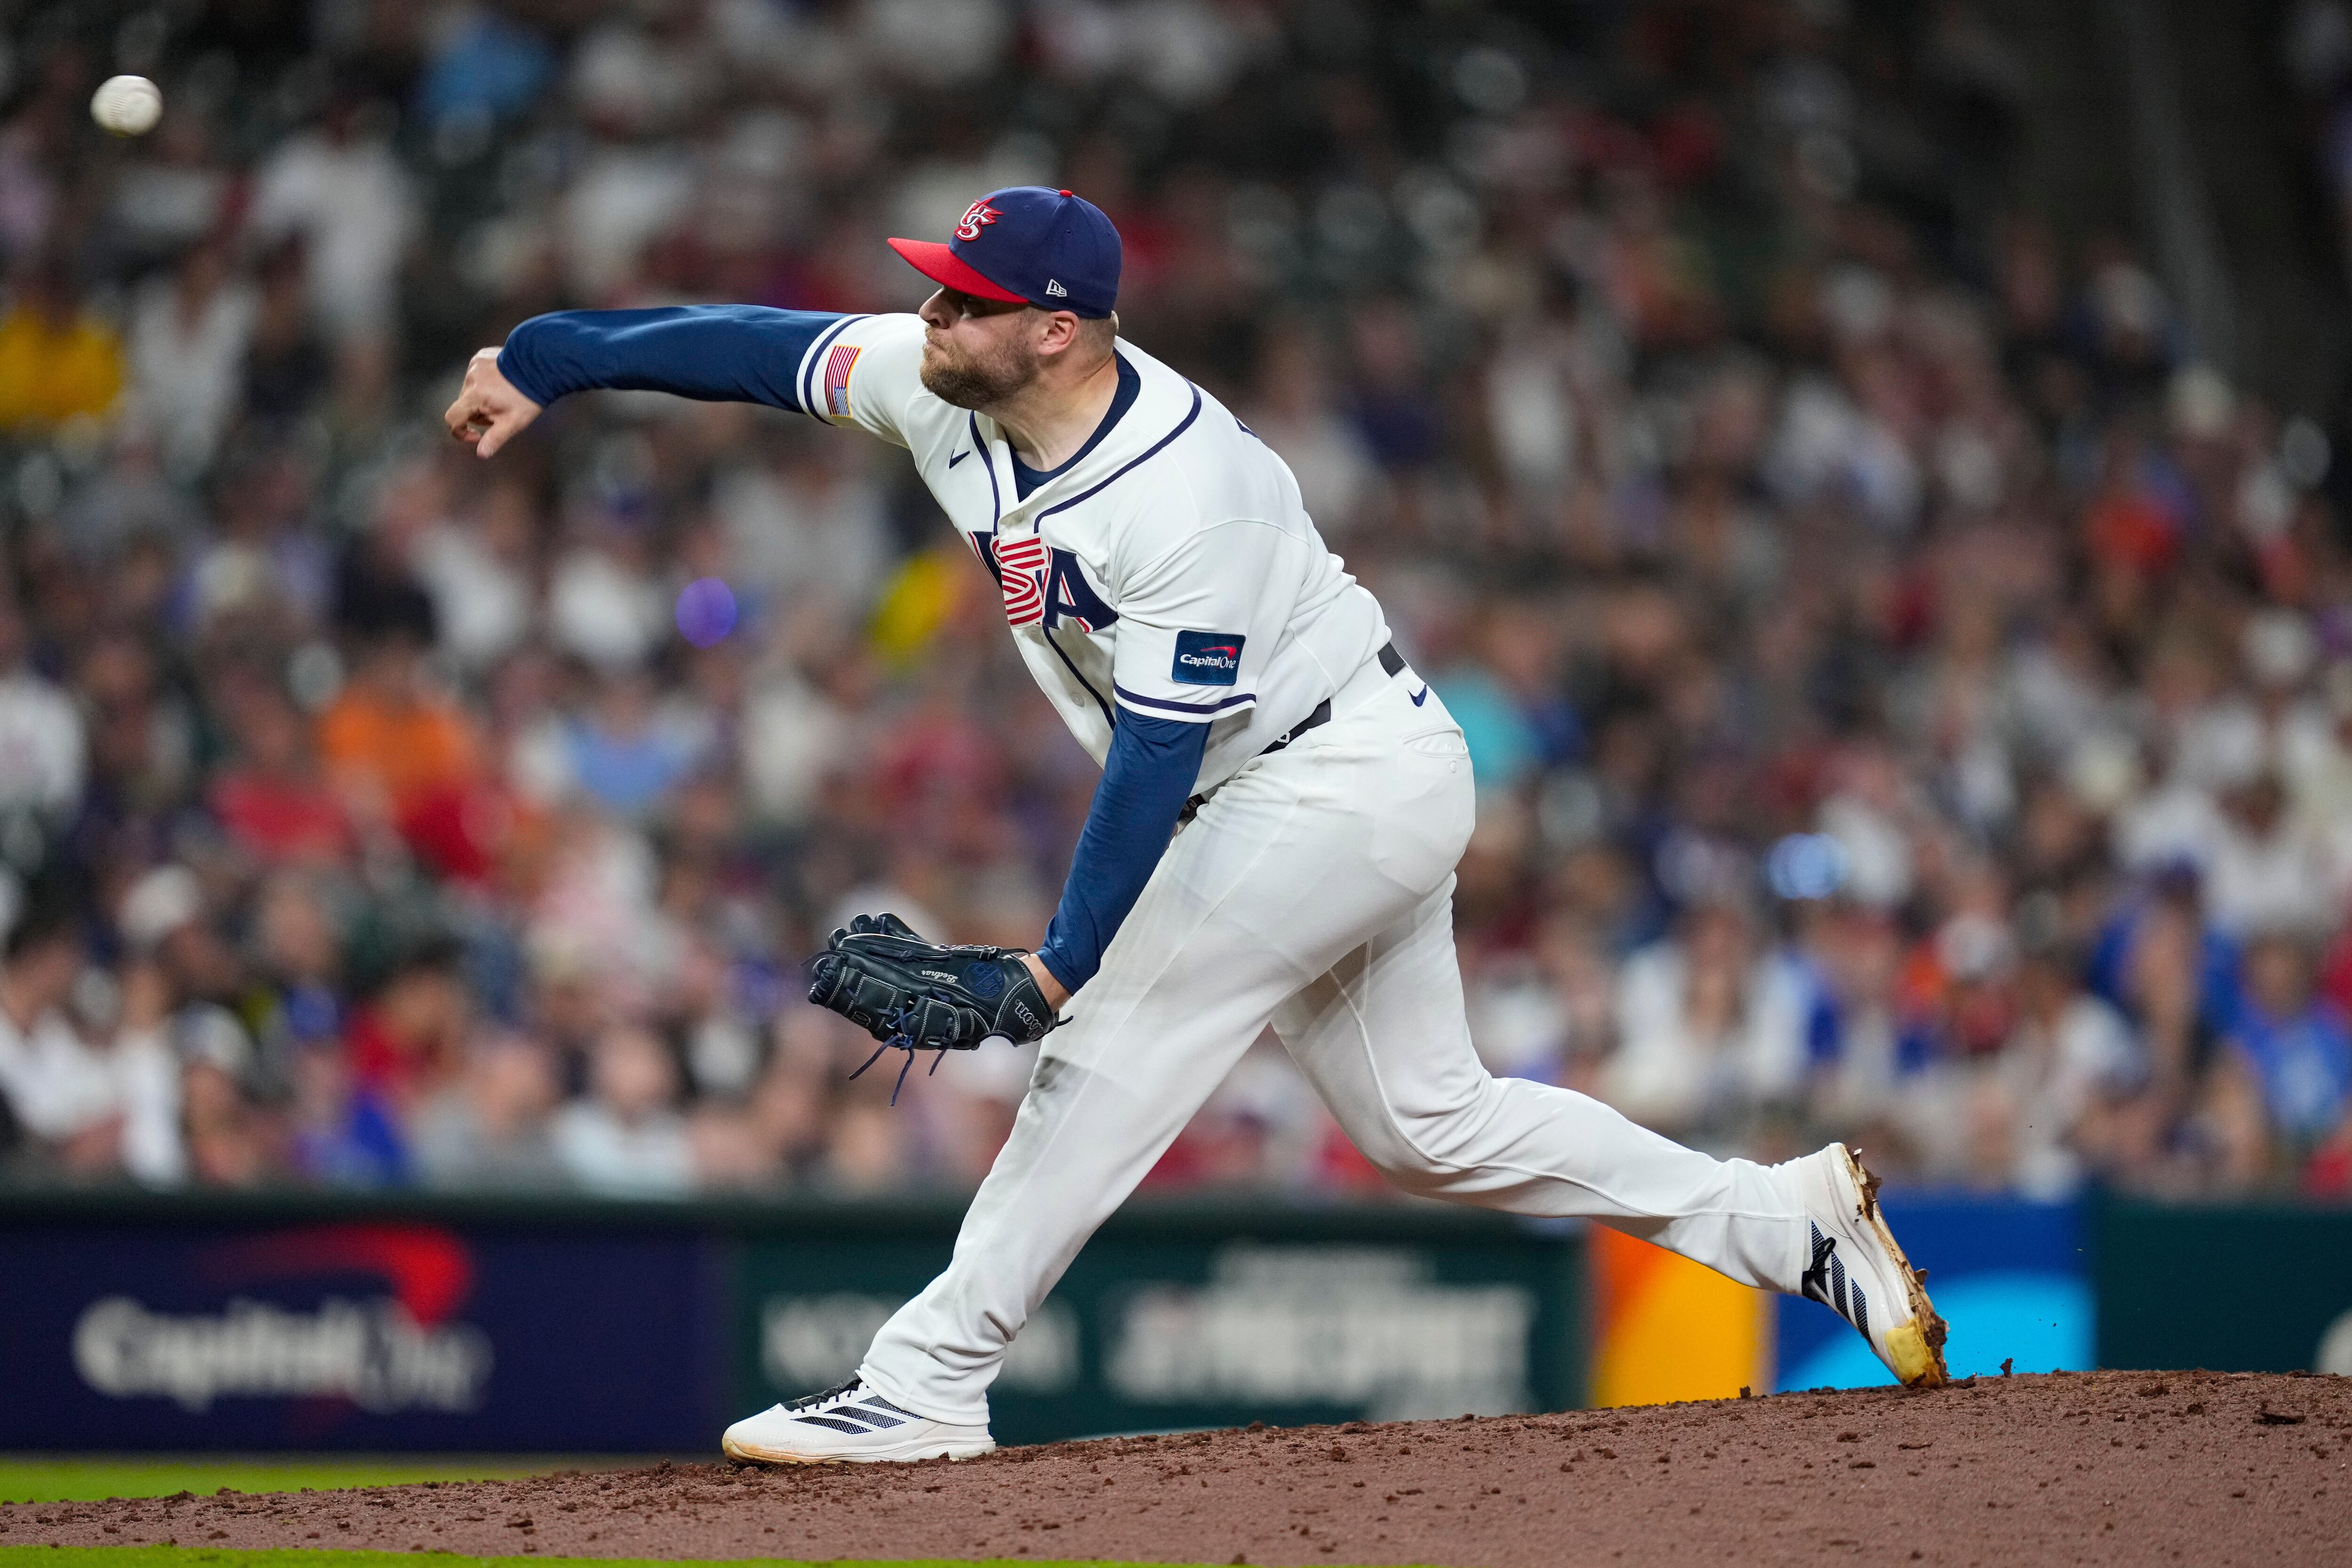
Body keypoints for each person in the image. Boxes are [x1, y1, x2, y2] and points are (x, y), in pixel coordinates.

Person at [444, 186, 1950, 1465]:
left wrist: (1052, 972)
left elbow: (1156, 763)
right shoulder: (939, 380)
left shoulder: (1192, 493)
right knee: (1426, 1126)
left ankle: (923, 1386)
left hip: (1335, 776)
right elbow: (762, 354)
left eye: (964, 304)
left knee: (1108, 1043)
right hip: (1312, 777)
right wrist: (551, 357)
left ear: (1055, 329)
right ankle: (1784, 1218)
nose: (930, 322)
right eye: (937, 297)